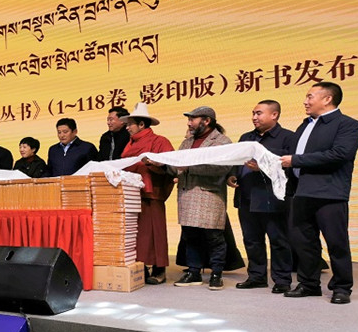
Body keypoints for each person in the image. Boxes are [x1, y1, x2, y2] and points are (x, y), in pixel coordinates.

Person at [280, 82, 358, 304]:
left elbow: (340, 154)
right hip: (301, 192)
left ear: (327, 99)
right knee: (303, 242)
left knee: (336, 243)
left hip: (329, 193)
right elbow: (291, 155)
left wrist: (295, 161)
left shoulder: (347, 124)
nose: (305, 101)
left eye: (310, 96)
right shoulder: (304, 125)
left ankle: (342, 287)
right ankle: (308, 284)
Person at [228, 100, 295, 293]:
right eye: (253, 113)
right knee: (251, 240)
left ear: (274, 115)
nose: (254, 117)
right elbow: (237, 161)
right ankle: (256, 277)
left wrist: (264, 167)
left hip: (272, 198)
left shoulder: (288, 138)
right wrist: (232, 175)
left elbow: (292, 168)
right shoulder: (246, 137)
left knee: (278, 240)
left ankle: (282, 280)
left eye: (259, 113)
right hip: (246, 197)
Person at [164, 106, 231, 290]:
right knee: (190, 236)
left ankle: (216, 274)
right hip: (187, 194)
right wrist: (160, 164)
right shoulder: (187, 142)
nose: (189, 123)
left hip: (209, 195)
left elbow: (222, 167)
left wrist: (190, 167)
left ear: (206, 121)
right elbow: (177, 166)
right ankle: (193, 272)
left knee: (214, 237)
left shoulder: (221, 141)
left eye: (192, 119)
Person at [122, 103, 174, 284]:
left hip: (152, 193)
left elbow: (171, 167)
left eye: (130, 124)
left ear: (142, 125)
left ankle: (160, 270)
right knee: (137, 235)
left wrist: (155, 164)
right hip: (132, 194)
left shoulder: (160, 141)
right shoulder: (129, 144)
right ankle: (141, 268)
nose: (127, 127)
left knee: (155, 233)